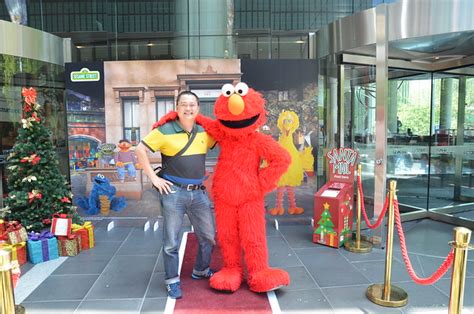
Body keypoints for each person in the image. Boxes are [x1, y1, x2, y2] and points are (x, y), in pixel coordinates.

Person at [135, 91, 216, 299]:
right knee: (171, 241)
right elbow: (140, 150)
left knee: (208, 237)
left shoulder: (205, 131)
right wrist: (154, 178)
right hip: (173, 193)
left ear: (198, 108)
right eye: (184, 105)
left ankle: (201, 269)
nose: (188, 109)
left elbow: (229, 138)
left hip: (199, 194)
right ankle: (172, 281)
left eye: (192, 105)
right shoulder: (164, 130)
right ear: (177, 108)